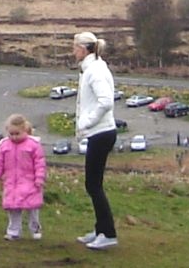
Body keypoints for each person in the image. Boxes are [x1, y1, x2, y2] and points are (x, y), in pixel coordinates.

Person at [73, 31, 119, 250]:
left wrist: (87, 122)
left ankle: (108, 233)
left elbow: (105, 101)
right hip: (99, 133)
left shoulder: (95, 71)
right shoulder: (91, 68)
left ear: (83, 49)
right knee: (93, 184)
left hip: (101, 133)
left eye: (75, 48)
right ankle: (100, 229)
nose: (73, 51)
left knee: (93, 184)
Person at [0, 114, 46, 241]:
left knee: (32, 208)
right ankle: (14, 231)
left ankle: (35, 229)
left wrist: (39, 179)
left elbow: (40, 164)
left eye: (17, 133)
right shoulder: (4, 146)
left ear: (25, 130)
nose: (14, 137)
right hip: (11, 183)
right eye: (11, 134)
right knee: (13, 208)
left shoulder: (33, 145)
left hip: (30, 183)